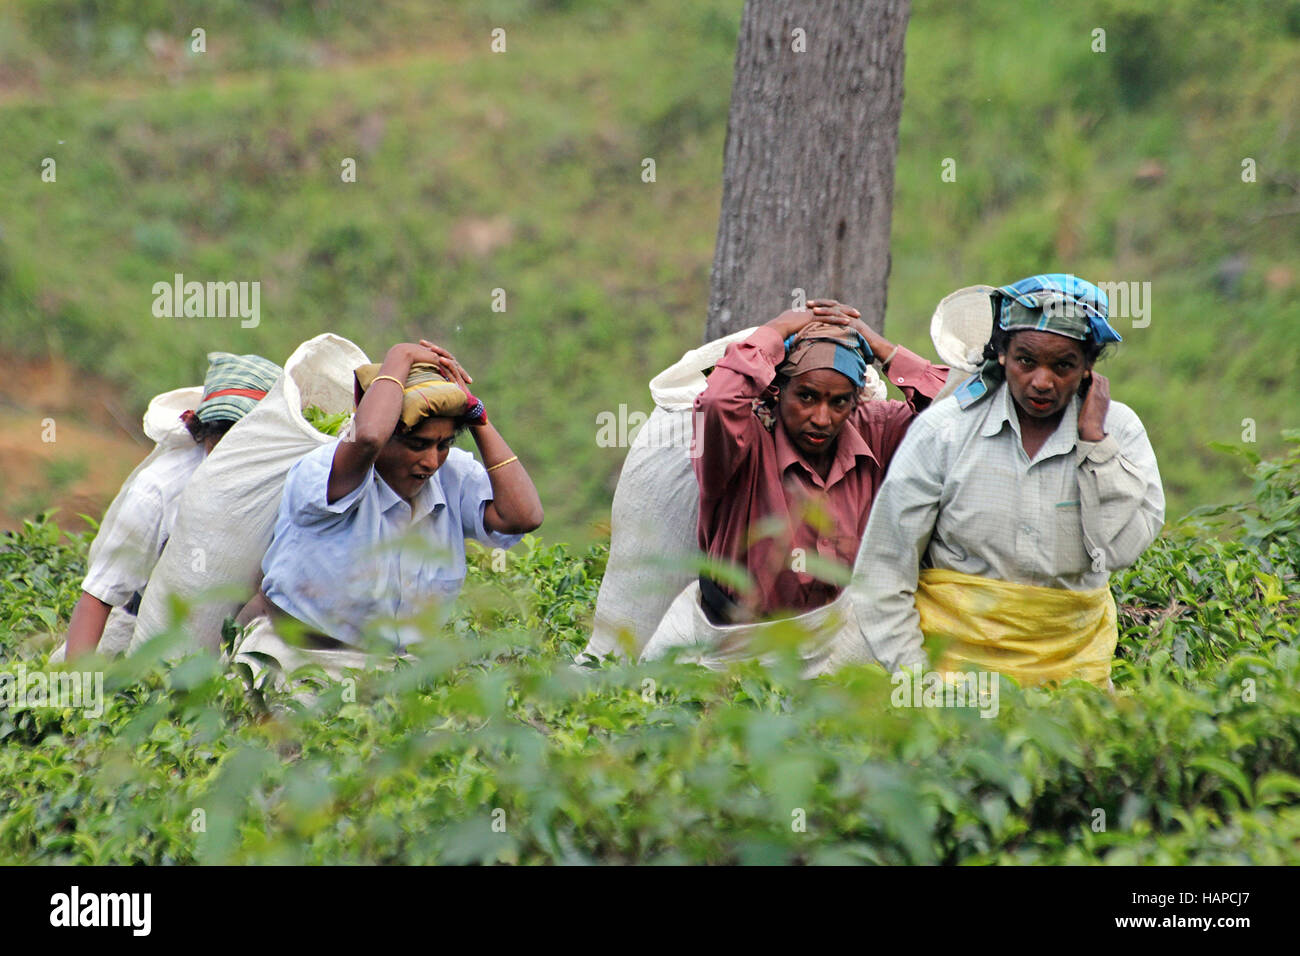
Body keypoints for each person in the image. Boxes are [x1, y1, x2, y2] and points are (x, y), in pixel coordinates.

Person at [852, 274, 1165, 685]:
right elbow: (884, 573)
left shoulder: (1119, 432)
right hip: (951, 681)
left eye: (1063, 365)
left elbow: (1120, 549)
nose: (1041, 380)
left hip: (1075, 683)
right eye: (1026, 360)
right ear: (1001, 354)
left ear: (1088, 366)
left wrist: (1095, 444)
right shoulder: (945, 431)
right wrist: (918, 680)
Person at [237, 338, 543, 677]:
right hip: (294, 660)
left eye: (443, 445)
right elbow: (367, 437)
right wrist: (401, 355)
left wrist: (477, 416)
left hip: (391, 674)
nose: (430, 461)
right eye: (417, 445)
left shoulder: (454, 477)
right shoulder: (328, 472)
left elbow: (524, 516)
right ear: (386, 439)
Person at [693, 299, 948, 624]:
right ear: (778, 391)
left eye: (839, 401)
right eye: (807, 397)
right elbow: (717, 402)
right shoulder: (745, 444)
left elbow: (961, 419)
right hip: (742, 644)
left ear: (855, 401)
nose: (822, 418)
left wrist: (886, 351)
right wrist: (777, 330)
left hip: (843, 644)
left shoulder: (877, 431)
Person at [65, 352, 283, 659]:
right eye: (221, 438)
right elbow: (100, 594)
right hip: (140, 629)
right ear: (204, 434)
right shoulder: (160, 488)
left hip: (233, 638)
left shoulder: (278, 478)